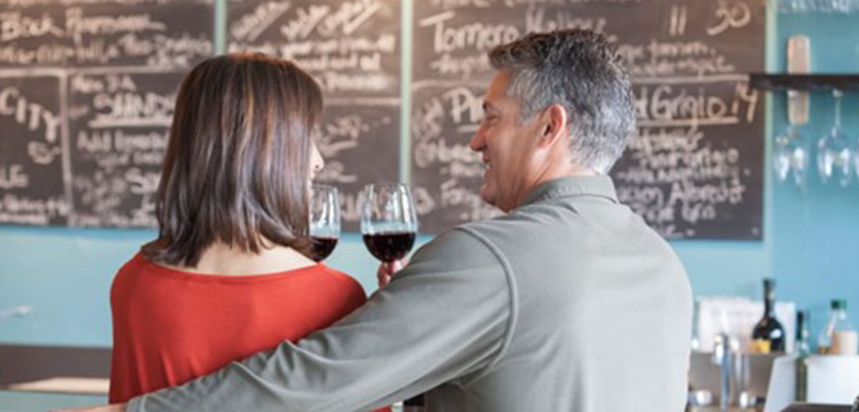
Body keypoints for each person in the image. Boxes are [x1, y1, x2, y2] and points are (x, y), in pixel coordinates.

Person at [59, 29, 692, 412]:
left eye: (491, 116)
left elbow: (308, 386)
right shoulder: (662, 265)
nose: (475, 140)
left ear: (550, 127)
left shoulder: (487, 258)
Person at [104, 53, 387, 412]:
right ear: (268, 150)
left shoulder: (133, 283)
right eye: (306, 137)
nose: (317, 160)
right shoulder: (332, 296)